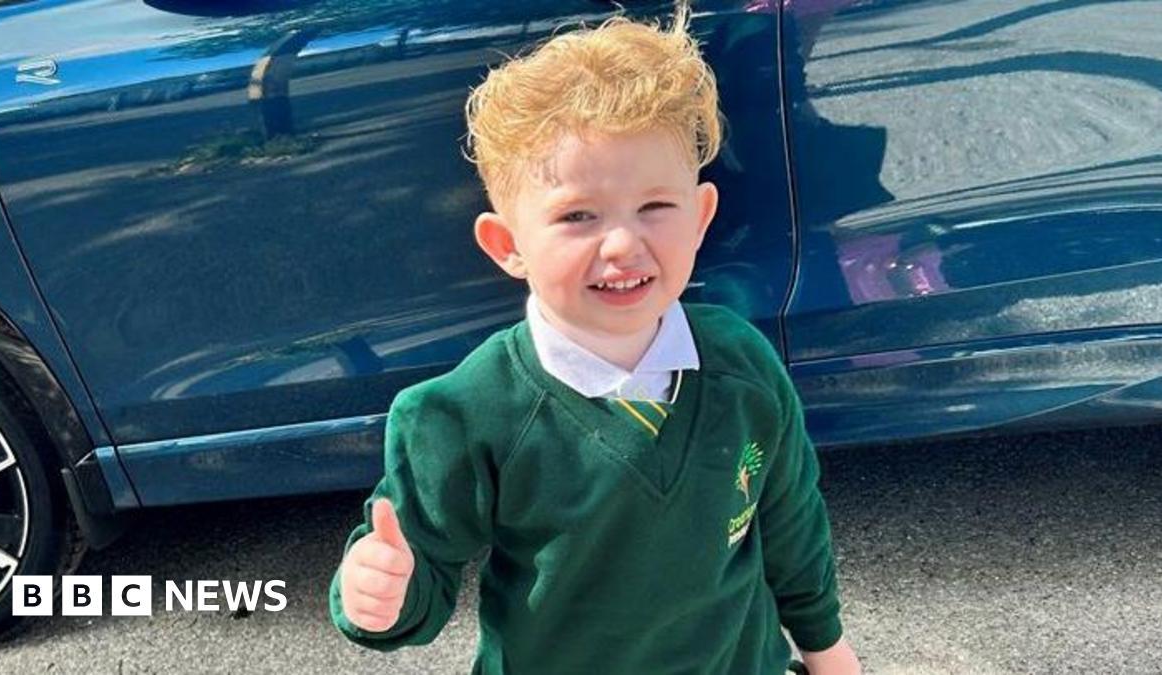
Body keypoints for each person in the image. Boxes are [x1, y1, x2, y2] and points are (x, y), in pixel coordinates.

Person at [329, 11, 861, 675]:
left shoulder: (742, 365)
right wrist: (379, 592)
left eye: (655, 208)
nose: (622, 242)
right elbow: (421, 565)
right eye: (579, 215)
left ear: (699, 218)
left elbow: (790, 521)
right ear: (508, 244)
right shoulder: (462, 413)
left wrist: (827, 647)